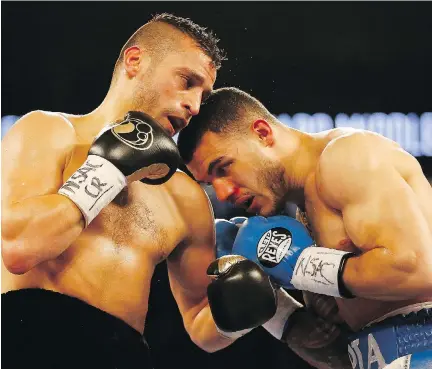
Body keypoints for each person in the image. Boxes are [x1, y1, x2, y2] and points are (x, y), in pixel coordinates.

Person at [1, 13, 238, 369]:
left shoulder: (186, 199)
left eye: (203, 94)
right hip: (31, 338)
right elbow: (18, 247)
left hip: (124, 354)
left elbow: (201, 324)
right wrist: (110, 171)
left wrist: (247, 308)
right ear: (135, 60)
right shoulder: (50, 133)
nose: (195, 106)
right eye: (187, 81)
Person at [177, 87, 432, 368]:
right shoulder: (305, 212)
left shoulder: (347, 157)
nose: (223, 193)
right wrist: (285, 318)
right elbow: (341, 356)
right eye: (210, 183)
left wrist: (303, 265)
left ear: (262, 133)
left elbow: (415, 269)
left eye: (223, 168)